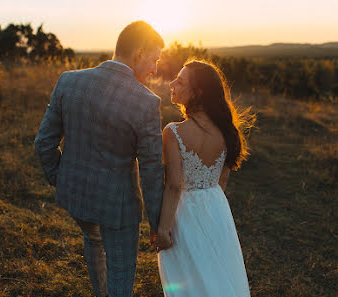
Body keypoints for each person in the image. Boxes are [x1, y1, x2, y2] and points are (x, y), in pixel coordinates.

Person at [34, 21, 165, 297]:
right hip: (119, 209)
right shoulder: (146, 102)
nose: (155, 69)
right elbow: (152, 171)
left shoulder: (68, 81)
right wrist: (157, 223)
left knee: (93, 239)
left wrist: (63, 181)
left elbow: (43, 143)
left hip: (78, 197)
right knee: (121, 271)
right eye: (154, 59)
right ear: (139, 52)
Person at [156, 60, 254, 297]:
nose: (172, 83)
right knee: (217, 272)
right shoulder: (226, 132)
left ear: (197, 92)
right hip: (217, 208)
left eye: (180, 81)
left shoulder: (173, 132)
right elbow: (222, 180)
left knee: (189, 277)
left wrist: (163, 228)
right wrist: (211, 207)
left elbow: (174, 186)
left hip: (185, 213)